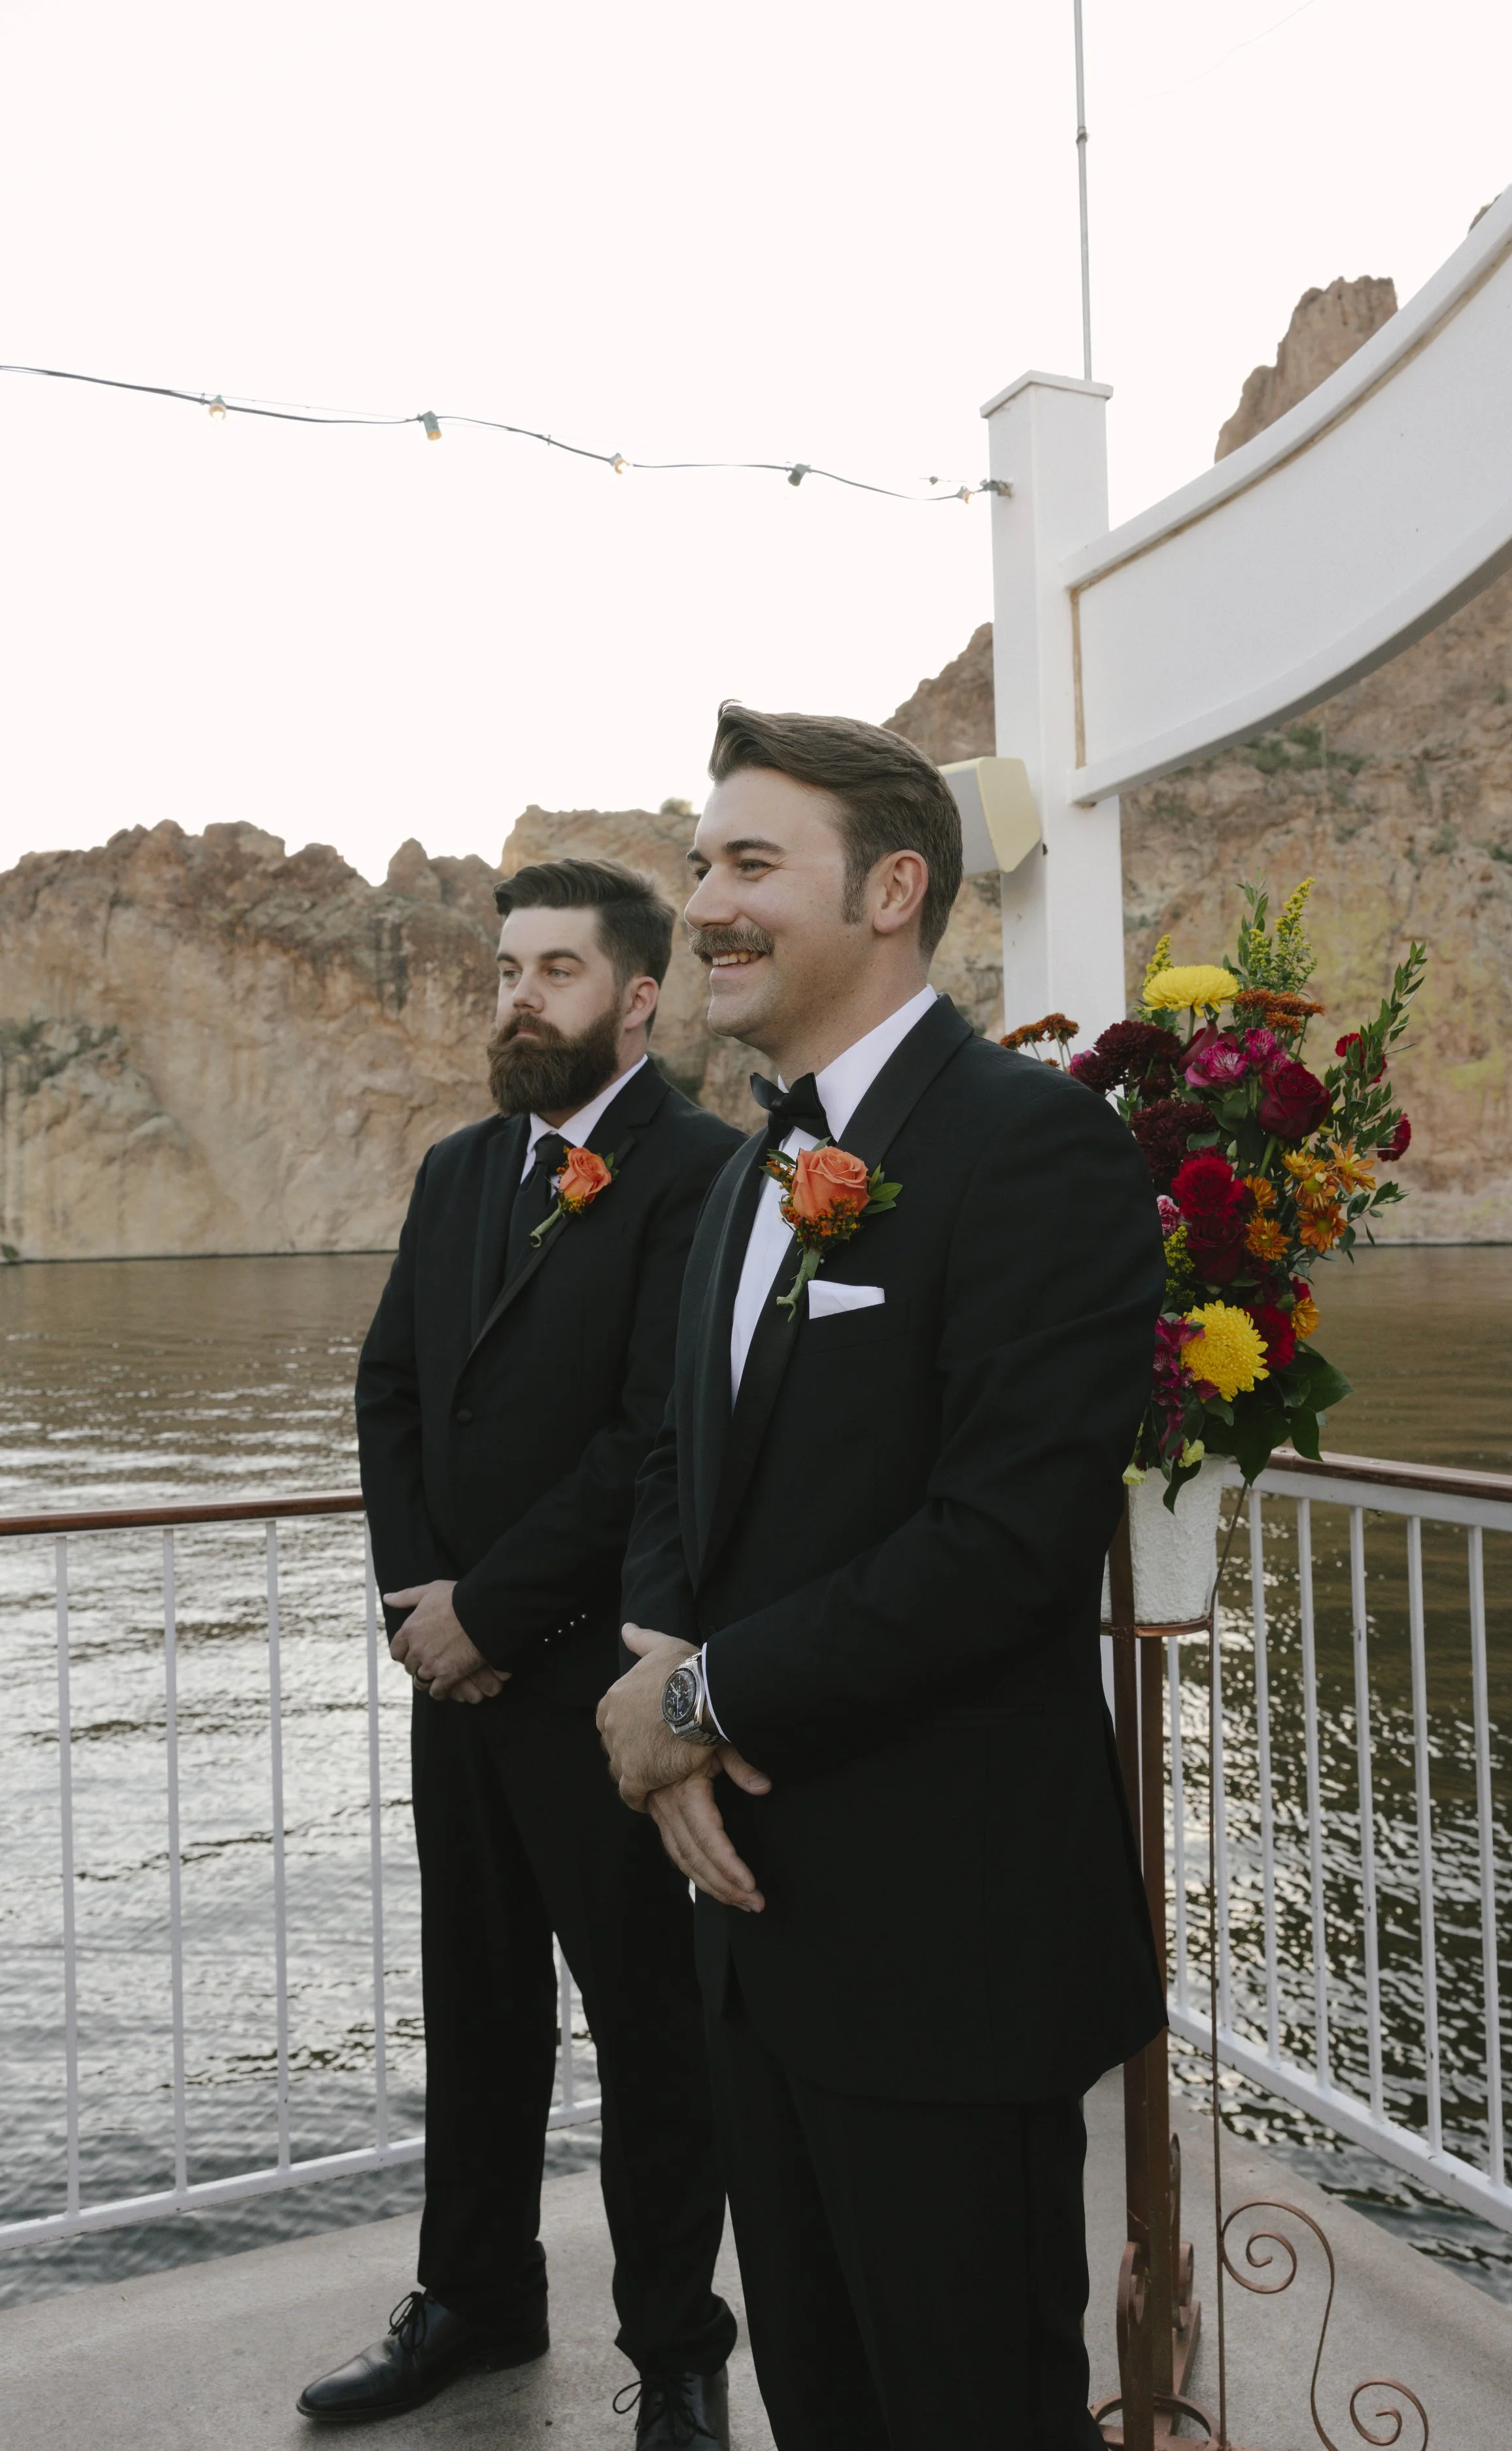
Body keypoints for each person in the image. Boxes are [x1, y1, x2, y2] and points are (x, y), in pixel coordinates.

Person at [598, 707, 1167, 2451]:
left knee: (972, 2410)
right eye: (700, 864)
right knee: (823, 2404)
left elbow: (1003, 1546)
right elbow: (679, 1455)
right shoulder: (750, 1170)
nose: (705, 902)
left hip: (943, 1948)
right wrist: (658, 1655)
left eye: (750, 863)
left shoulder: (1032, 1145)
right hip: (755, 1939)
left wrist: (699, 1700)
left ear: (894, 888)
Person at [300, 857, 743, 2448]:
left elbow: (653, 1434)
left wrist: (491, 1614)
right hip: (458, 1679)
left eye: (555, 970)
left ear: (638, 997)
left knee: (648, 2027)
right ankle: (477, 2297)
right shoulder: (457, 1168)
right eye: (505, 970)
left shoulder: (703, 1172)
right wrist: (421, 1606)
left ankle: (678, 2350)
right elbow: (391, 1391)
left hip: (602, 1685)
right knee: (475, 2006)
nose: (519, 998)